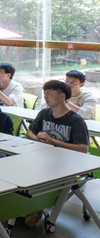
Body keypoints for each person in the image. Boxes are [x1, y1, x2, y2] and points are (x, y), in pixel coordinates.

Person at [25, 80, 89, 228]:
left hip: (66, 164)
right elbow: (30, 133)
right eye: (45, 93)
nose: (46, 97)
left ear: (62, 96)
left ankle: (35, 208)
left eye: (49, 93)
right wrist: (38, 138)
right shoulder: (44, 113)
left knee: (40, 176)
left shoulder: (75, 120)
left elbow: (83, 149)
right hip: (43, 158)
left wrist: (53, 141)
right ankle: (28, 207)